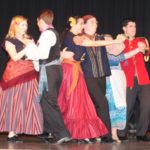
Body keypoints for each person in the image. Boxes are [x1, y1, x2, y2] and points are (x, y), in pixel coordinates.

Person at [61, 15, 125, 143]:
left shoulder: (101, 37)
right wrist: (114, 41)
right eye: (92, 22)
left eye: (96, 22)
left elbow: (115, 52)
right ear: (85, 25)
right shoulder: (79, 38)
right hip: (87, 75)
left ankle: (95, 133)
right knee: (102, 103)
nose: (96, 24)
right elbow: (92, 44)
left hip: (101, 75)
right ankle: (106, 134)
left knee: (94, 106)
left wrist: (121, 41)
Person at [25, 9, 71, 144]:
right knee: (47, 101)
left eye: (38, 21)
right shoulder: (52, 33)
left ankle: (62, 133)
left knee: (49, 102)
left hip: (49, 71)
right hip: (54, 69)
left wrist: (30, 48)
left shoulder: (46, 35)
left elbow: (42, 54)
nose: (37, 24)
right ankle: (51, 131)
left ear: (41, 20)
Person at [0, 16, 43, 143]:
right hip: (15, 73)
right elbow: (14, 57)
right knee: (14, 101)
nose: (25, 27)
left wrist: (35, 55)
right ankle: (11, 133)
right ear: (15, 26)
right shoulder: (10, 40)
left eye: (26, 25)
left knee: (28, 101)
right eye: (22, 25)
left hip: (29, 71)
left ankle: (19, 130)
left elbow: (35, 55)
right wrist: (27, 47)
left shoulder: (29, 39)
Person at [104, 34, 146, 142]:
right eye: (107, 41)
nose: (110, 43)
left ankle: (114, 133)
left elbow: (122, 53)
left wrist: (137, 48)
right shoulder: (104, 54)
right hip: (111, 80)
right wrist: (119, 40)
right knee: (112, 106)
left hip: (120, 79)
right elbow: (120, 54)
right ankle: (109, 134)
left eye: (110, 41)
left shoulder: (113, 52)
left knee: (119, 105)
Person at [119, 19, 150, 142]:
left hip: (144, 79)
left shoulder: (141, 40)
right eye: (131, 26)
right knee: (128, 107)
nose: (134, 28)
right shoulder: (121, 42)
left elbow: (145, 52)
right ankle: (121, 132)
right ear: (124, 29)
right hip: (129, 80)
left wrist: (143, 49)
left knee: (146, 106)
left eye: (135, 26)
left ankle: (141, 133)